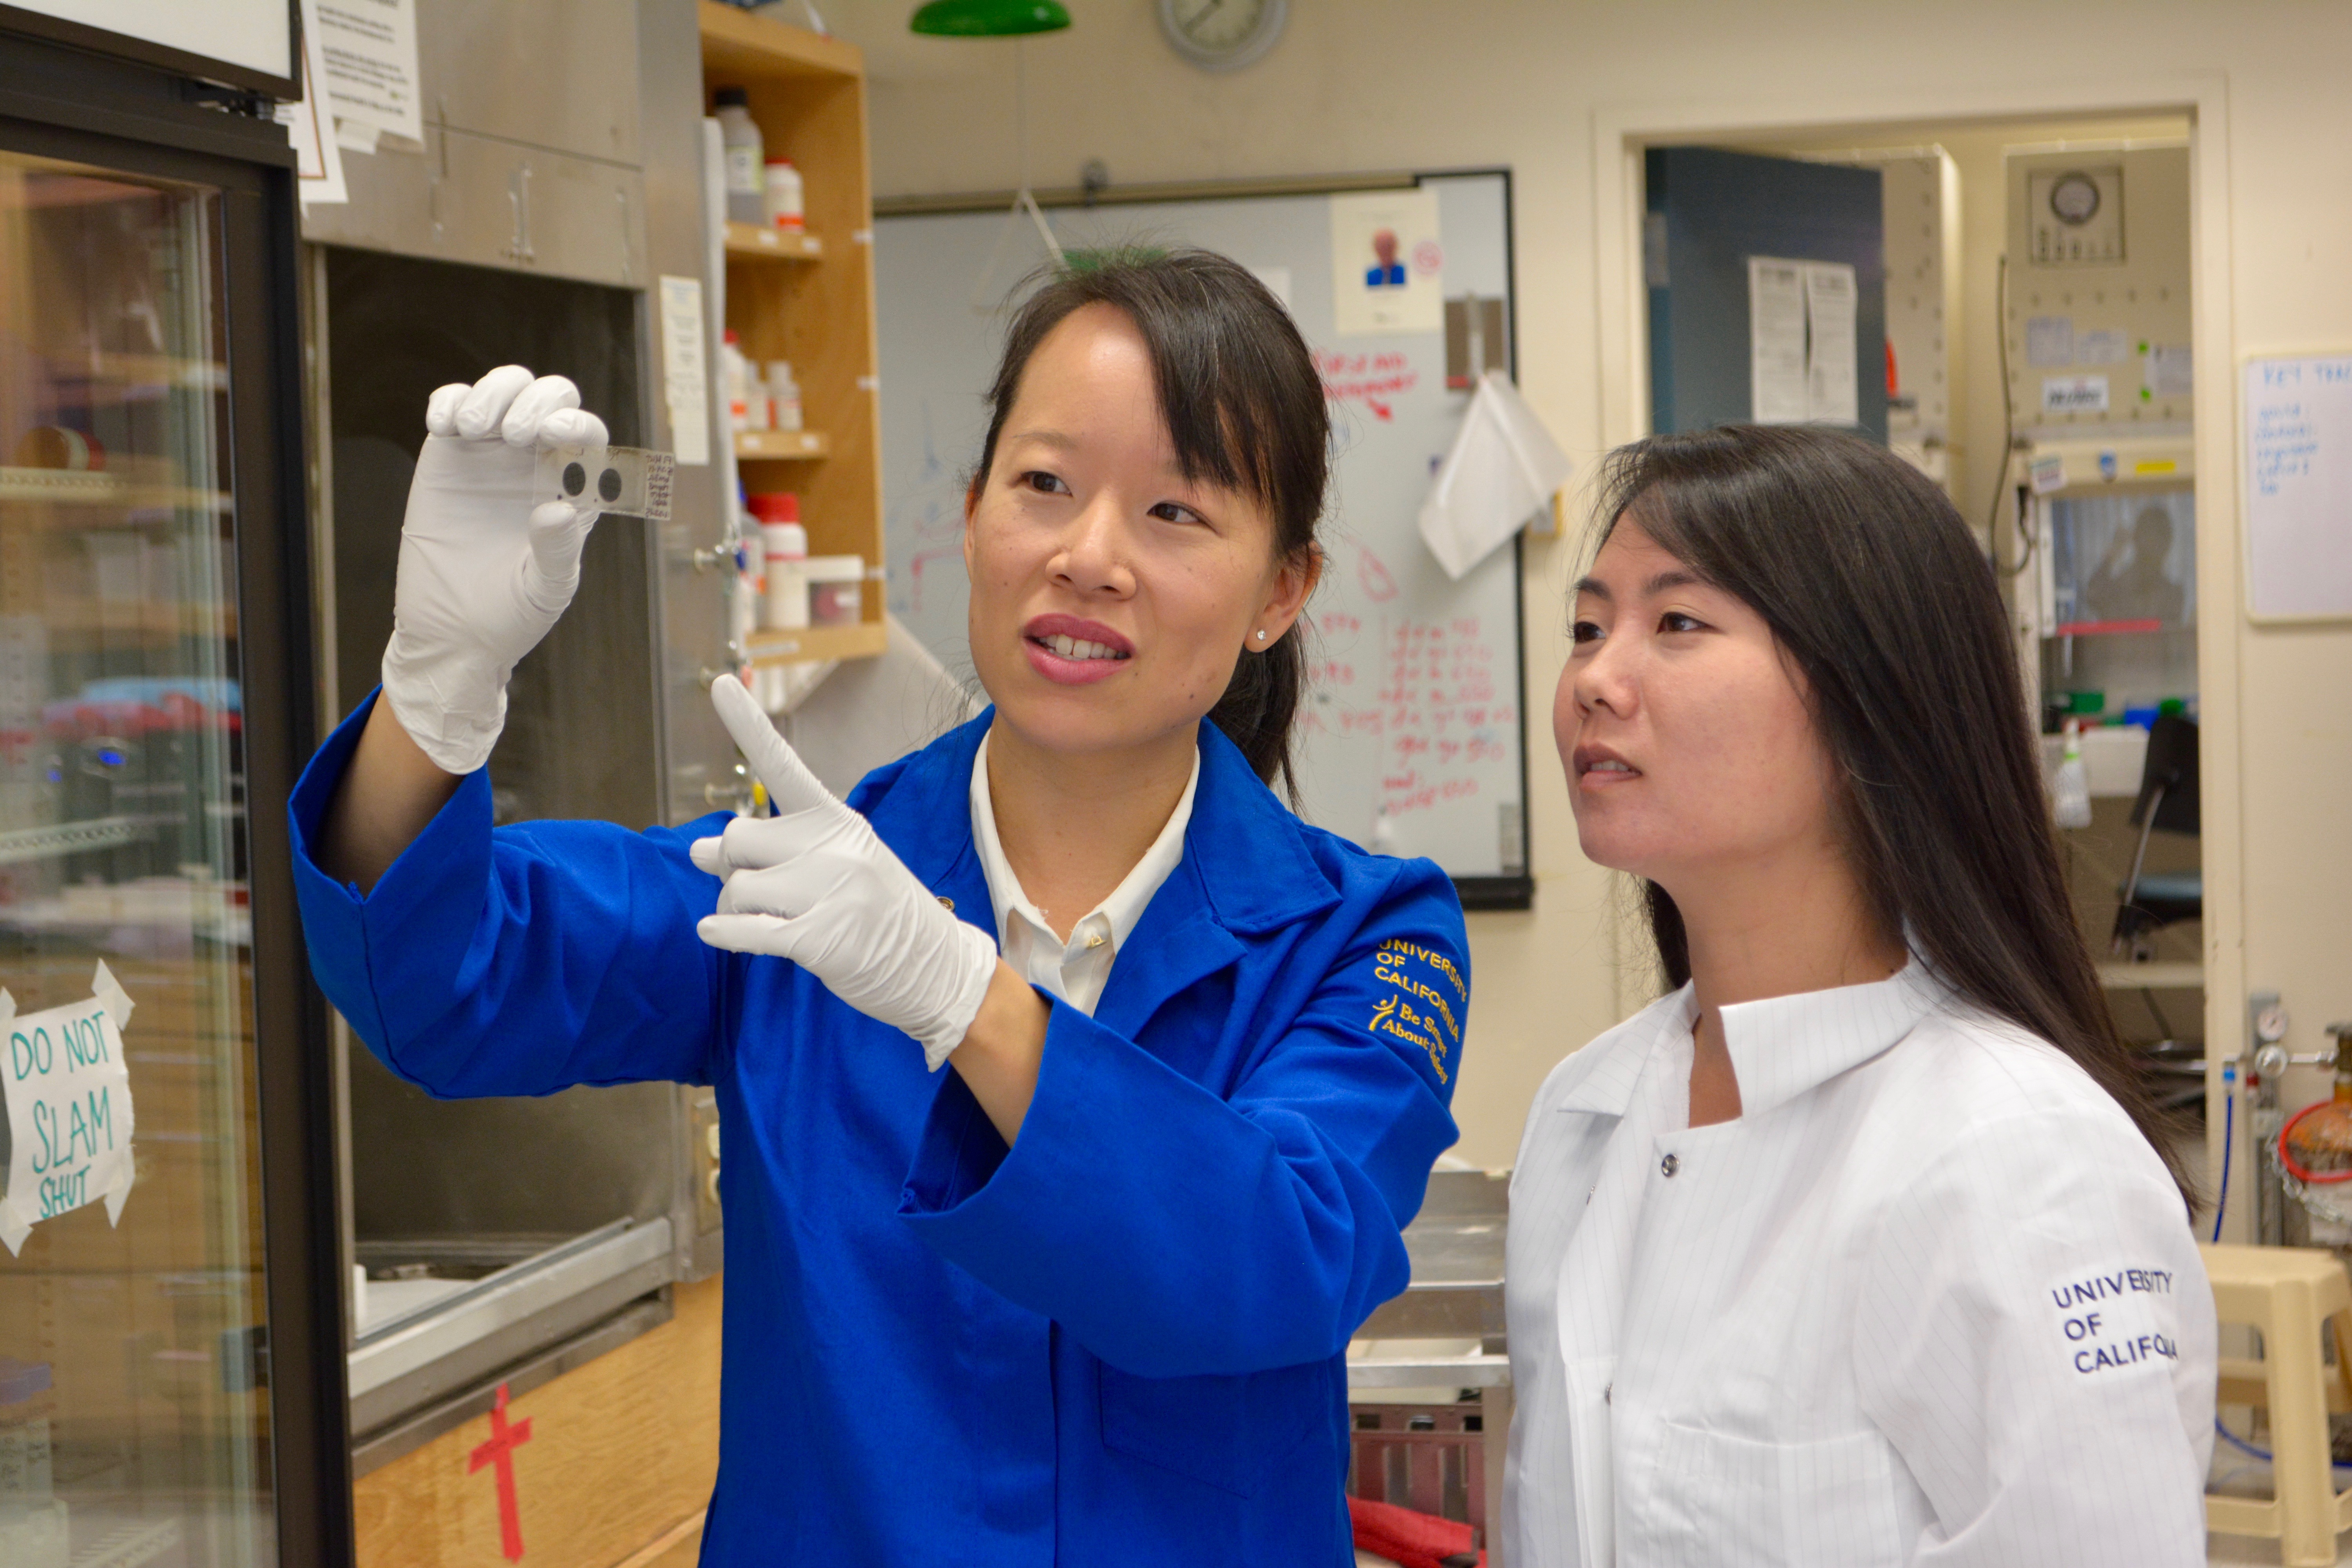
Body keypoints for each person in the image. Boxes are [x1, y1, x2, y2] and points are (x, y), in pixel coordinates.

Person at [289, 250, 1470, 1565]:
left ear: (1284, 592)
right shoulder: (804, 880)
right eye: (1046, 487)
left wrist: (960, 995)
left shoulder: (1359, 936)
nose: (1089, 557)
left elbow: (1279, 1260)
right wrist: (438, 687)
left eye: (1176, 513)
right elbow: (448, 985)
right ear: (971, 518)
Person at [1504, 425, 2214, 1566]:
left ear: (1869, 695)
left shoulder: (2015, 1156)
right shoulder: (1585, 1113)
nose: (1594, 677)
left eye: (1676, 623)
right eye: (1588, 627)